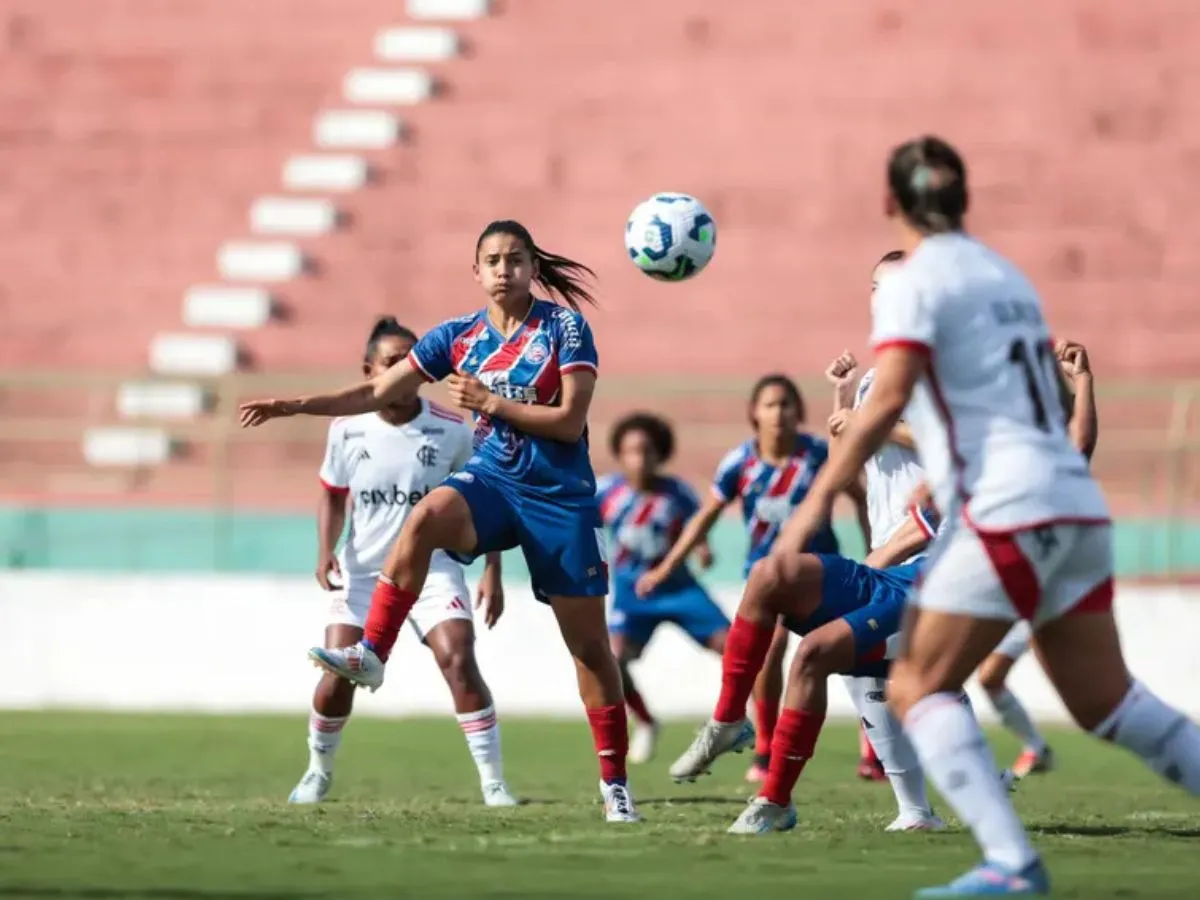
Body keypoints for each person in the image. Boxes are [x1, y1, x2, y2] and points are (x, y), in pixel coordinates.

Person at [774, 135, 1200, 896]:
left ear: (889, 204)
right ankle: (1007, 860)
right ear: (964, 199)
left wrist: (810, 506)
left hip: (1008, 505)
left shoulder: (913, 280)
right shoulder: (1008, 279)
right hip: (1072, 499)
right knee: (1109, 703)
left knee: (915, 684)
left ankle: (1012, 865)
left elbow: (891, 400)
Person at [239, 220, 642, 824]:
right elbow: (376, 394)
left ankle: (615, 785)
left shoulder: (564, 328)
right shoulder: (456, 337)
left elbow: (567, 422)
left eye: (515, 259)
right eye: (493, 260)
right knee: (425, 518)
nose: (504, 269)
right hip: (496, 483)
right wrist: (293, 404)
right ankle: (371, 653)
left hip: (562, 497)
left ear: (533, 268)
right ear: (475, 272)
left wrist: (491, 404)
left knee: (588, 650)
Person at [290, 317, 516, 807]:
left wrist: (493, 571)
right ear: (370, 369)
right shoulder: (346, 428)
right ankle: (318, 771)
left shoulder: (454, 428)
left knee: (458, 658)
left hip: (433, 568)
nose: (402, 371)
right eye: (391, 362)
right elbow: (332, 495)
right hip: (364, 571)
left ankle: (493, 782)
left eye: (409, 363)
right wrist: (325, 549)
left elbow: (487, 498)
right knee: (336, 676)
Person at [637, 375, 870, 782]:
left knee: (858, 654)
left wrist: (873, 550)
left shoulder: (817, 455)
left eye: (786, 404)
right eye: (770, 404)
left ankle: (872, 752)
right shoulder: (739, 463)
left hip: (821, 573)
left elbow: (860, 495)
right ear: (754, 413)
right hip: (768, 581)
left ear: (799, 412)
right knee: (768, 652)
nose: (779, 413)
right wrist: (667, 566)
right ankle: (764, 748)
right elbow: (702, 520)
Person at [974, 338, 1098, 781]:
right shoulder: (1000, 446)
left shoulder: (1048, 452)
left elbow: (1080, 443)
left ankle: (1004, 767)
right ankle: (1029, 751)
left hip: (1044, 587)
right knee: (979, 678)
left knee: (1102, 705)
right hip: (1011, 584)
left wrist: (1082, 381)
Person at [598, 412, 728, 764]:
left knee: (736, 648)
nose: (639, 459)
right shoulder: (606, 493)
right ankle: (645, 720)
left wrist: (702, 549)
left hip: (680, 588)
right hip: (632, 594)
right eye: (631, 451)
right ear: (620, 455)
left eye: (647, 451)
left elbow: (697, 529)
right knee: (611, 659)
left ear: (660, 455)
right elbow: (583, 530)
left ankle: (739, 724)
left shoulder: (677, 493)